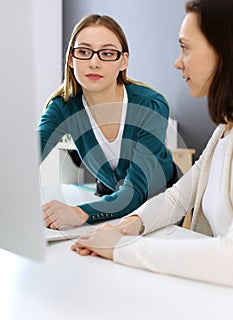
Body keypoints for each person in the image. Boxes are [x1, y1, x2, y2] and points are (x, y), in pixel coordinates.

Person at [72, 0, 233, 288]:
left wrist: (122, 248)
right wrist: (127, 225)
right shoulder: (223, 131)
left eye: (185, 47)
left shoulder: (149, 105)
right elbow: (177, 198)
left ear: (224, 49)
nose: (177, 61)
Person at [39, 14, 178, 230]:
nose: (94, 63)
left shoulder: (150, 105)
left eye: (107, 53)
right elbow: (24, 161)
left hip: (161, 204)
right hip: (110, 203)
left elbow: (136, 192)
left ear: (124, 61)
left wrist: (80, 212)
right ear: (70, 59)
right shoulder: (63, 107)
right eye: (84, 52)